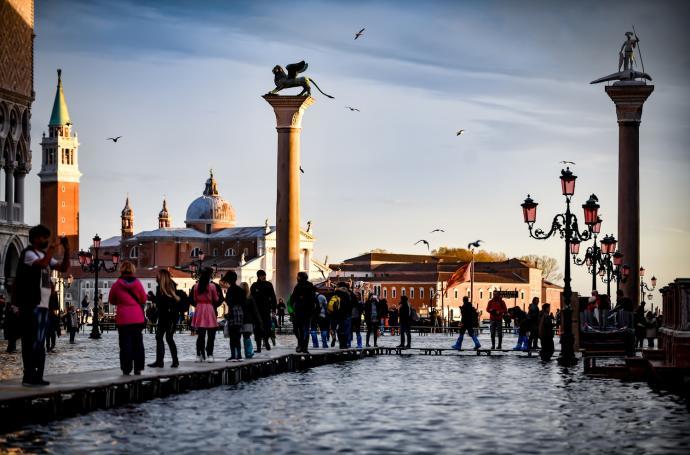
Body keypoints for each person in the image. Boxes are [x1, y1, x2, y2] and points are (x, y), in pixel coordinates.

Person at [14, 225, 70, 386]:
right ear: (36, 239)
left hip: (44, 305)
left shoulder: (44, 254)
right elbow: (43, 263)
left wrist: (66, 250)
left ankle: (38, 376)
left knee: (40, 342)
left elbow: (63, 268)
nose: (46, 240)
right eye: (44, 237)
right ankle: (28, 376)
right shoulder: (28, 254)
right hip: (31, 304)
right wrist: (53, 247)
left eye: (48, 237)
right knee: (30, 341)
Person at [109, 261, 147, 376]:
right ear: (133, 270)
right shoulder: (138, 283)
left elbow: (112, 300)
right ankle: (138, 368)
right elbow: (144, 299)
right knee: (138, 343)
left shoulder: (117, 284)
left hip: (123, 318)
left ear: (121, 270)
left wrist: (121, 302)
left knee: (125, 344)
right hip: (137, 318)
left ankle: (126, 368)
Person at [148, 269, 187, 368]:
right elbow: (160, 303)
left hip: (170, 317)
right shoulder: (161, 288)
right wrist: (153, 298)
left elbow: (163, 302)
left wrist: (153, 298)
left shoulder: (169, 288)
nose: (156, 277)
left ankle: (173, 361)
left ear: (162, 277)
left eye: (158, 275)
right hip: (164, 316)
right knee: (160, 337)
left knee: (168, 338)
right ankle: (160, 361)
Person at [190, 267, 222, 362]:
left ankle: (199, 354)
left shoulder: (196, 286)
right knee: (211, 334)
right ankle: (210, 354)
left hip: (199, 309)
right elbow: (216, 299)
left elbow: (195, 299)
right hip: (209, 309)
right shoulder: (212, 286)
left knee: (201, 334)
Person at [290, 272, 317, 353]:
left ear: (300, 277)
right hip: (308, 312)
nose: (296, 278)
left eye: (298, 277)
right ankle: (305, 348)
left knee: (299, 329)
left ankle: (300, 346)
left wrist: (292, 306)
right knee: (306, 330)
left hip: (299, 311)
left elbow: (292, 299)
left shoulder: (298, 286)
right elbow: (313, 299)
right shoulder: (310, 286)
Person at [250, 270, 277, 352]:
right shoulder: (254, 286)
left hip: (266, 309)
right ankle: (258, 347)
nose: (264, 277)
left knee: (267, 327)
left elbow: (273, 297)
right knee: (257, 329)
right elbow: (251, 298)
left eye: (264, 275)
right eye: (262, 275)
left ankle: (266, 341)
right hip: (256, 310)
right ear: (258, 276)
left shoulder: (269, 285)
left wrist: (274, 309)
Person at [223, 273, 244, 362]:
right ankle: (239, 354)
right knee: (238, 335)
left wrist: (228, 314)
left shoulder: (230, 290)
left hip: (233, 312)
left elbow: (229, 302)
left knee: (232, 336)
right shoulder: (240, 289)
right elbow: (243, 302)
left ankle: (233, 355)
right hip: (240, 312)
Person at [3, 286, 20, 353]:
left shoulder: (10, 298)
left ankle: (12, 347)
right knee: (12, 334)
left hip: (11, 318)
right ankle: (11, 348)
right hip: (12, 318)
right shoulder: (10, 299)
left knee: (12, 334)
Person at [45, 287, 60, 353]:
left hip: (51, 314)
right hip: (48, 313)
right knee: (48, 336)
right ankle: (48, 348)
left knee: (52, 335)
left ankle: (50, 347)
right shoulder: (46, 292)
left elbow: (56, 304)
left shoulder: (54, 294)